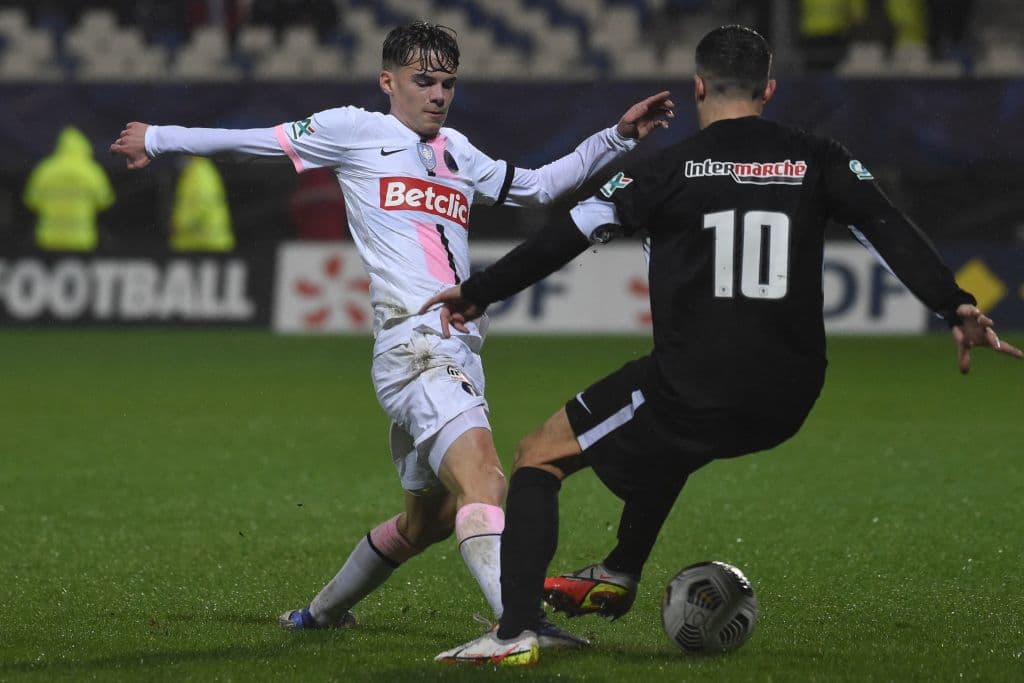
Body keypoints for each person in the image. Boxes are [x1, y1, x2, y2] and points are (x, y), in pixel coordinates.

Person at [423, 24, 1023, 665]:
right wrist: (954, 303)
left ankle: (515, 632)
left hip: (695, 383)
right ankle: (620, 571)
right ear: (768, 88)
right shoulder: (817, 156)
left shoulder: (665, 169)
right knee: (675, 440)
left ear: (699, 85)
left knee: (538, 456)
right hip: (790, 394)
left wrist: (480, 289)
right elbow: (886, 225)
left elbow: (567, 234)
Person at [109, 21, 674, 649]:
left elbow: (538, 185)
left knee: (426, 519)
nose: (438, 95)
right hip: (416, 346)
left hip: (454, 349)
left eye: (448, 84)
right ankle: (518, 627)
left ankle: (319, 615)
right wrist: (158, 138)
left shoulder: (458, 151)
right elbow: (256, 142)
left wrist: (616, 137)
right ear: (388, 81)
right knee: (486, 481)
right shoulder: (357, 130)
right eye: (423, 81)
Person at [24, 125, 115, 251]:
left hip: (48, 239)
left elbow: (31, 201)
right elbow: (105, 201)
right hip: (81, 239)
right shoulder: (91, 171)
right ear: (84, 146)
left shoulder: (45, 169)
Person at [170, 156, 235, 251]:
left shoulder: (200, 173)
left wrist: (180, 225)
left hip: (207, 244)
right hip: (202, 242)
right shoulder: (194, 170)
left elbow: (202, 205)